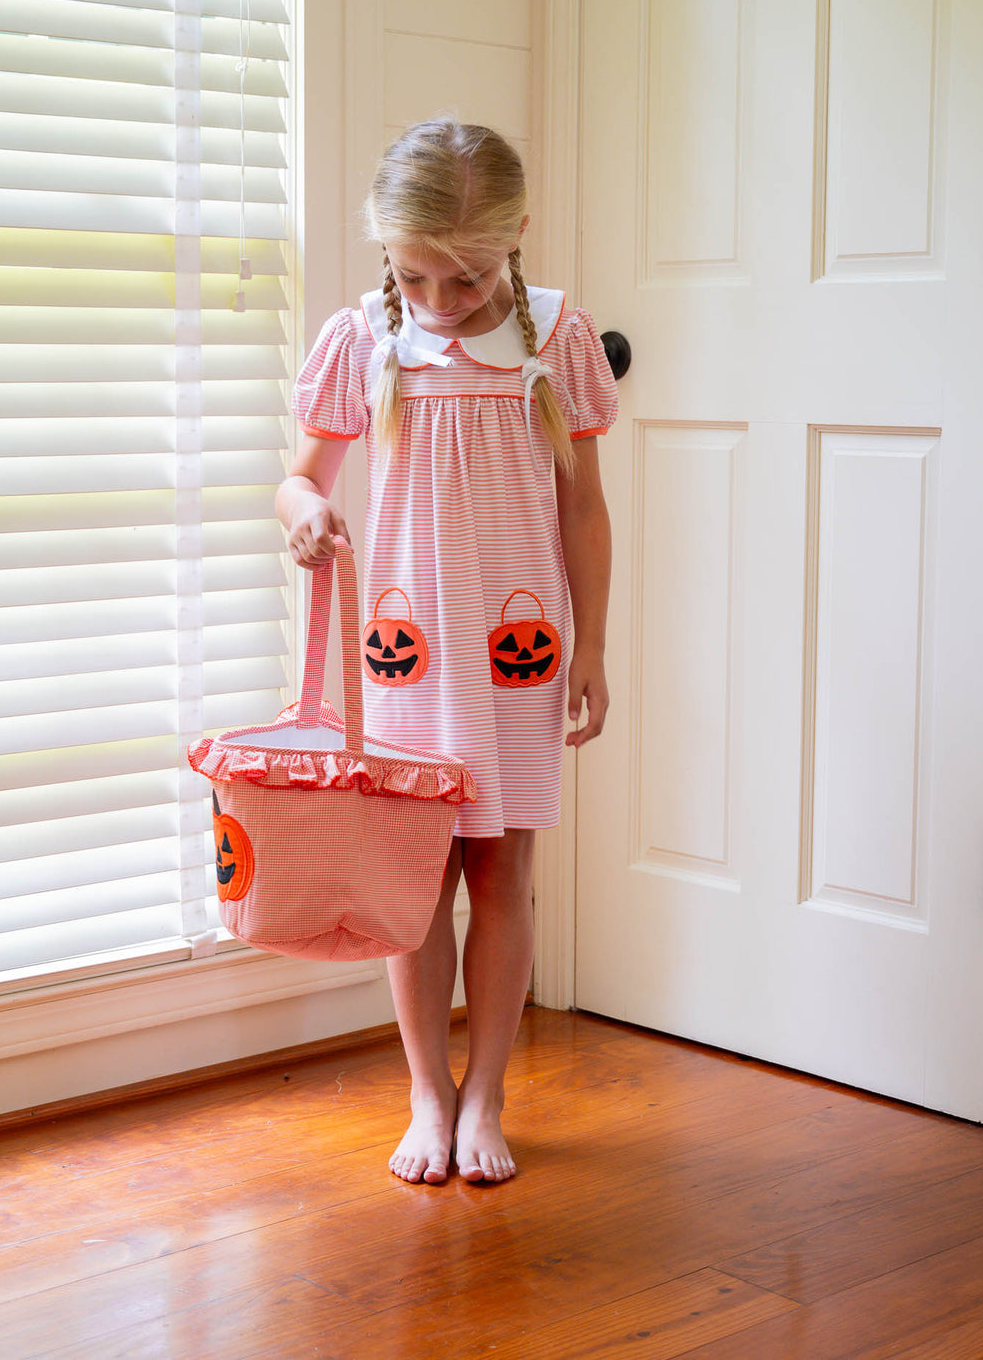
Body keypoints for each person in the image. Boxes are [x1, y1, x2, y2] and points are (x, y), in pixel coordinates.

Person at [275, 119, 616, 1185]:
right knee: (414, 884)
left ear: (518, 234)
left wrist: (594, 649)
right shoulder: (364, 339)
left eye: (464, 280)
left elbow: (585, 512)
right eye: (413, 275)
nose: (437, 301)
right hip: (407, 660)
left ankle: (487, 1094)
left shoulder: (557, 337)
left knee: (504, 868)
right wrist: (303, 518)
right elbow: (301, 479)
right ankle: (425, 1093)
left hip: (515, 649)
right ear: (387, 247)